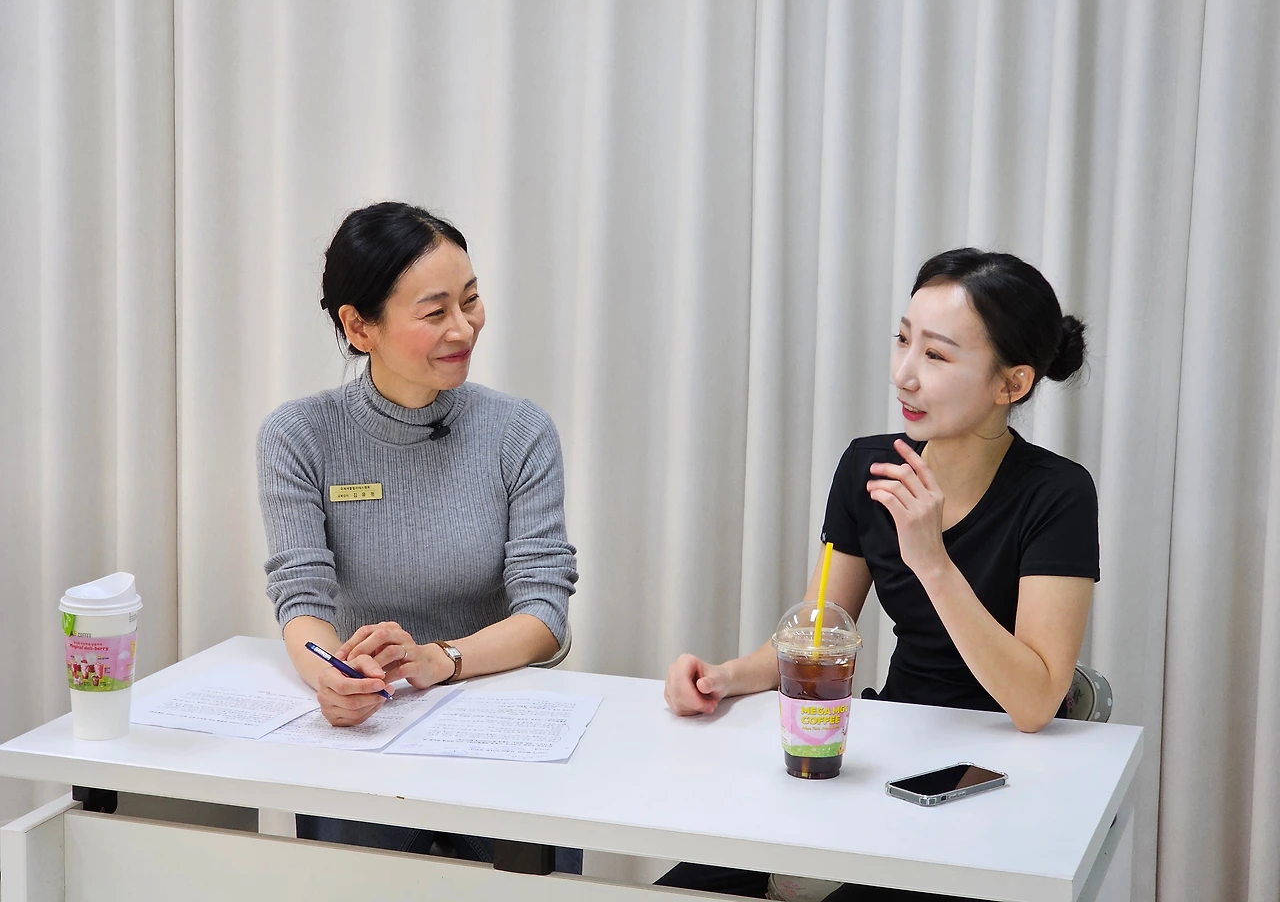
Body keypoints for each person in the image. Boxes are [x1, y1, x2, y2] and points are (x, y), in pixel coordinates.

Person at [660, 248, 1099, 901]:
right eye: (902, 340)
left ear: (1011, 384)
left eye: (937, 355)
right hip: (891, 745)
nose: (904, 374)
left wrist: (932, 561)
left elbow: (1035, 703)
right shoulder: (869, 469)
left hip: (999, 771)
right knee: (685, 883)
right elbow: (816, 632)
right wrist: (725, 678)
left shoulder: (1057, 494)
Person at [256, 201, 580, 870]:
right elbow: (301, 600)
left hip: (497, 721)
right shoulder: (299, 436)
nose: (463, 327)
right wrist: (337, 680)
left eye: (471, 300)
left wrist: (440, 659)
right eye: (434, 313)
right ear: (359, 326)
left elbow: (545, 616)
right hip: (371, 727)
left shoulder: (519, 433)